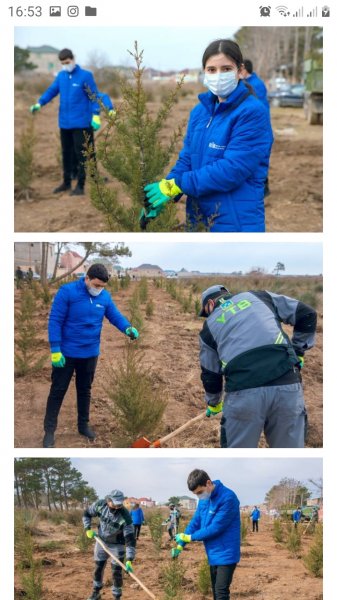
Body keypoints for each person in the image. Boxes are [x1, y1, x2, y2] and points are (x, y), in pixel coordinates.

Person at [142, 39, 273, 232]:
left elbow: (232, 170)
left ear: (239, 70)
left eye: (226, 69)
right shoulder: (200, 112)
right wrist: (166, 190)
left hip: (235, 220)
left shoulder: (252, 112)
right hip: (198, 217)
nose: (218, 75)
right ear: (204, 72)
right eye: (211, 70)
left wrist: (178, 184)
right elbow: (188, 157)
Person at [198, 284, 317, 448]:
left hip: (243, 393)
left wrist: (214, 402)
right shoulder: (259, 297)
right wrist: (299, 351)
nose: (208, 316)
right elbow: (307, 314)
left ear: (210, 304)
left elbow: (211, 373)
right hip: (287, 384)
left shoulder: (208, 328)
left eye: (206, 312)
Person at [42, 263, 139, 448]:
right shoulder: (68, 292)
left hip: (90, 353)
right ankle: (49, 431)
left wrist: (127, 328)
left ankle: (83, 425)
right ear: (86, 279)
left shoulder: (105, 297)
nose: (99, 289)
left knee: (84, 390)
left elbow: (114, 316)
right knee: (57, 391)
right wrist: (55, 349)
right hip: (66, 354)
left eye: (102, 286)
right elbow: (55, 320)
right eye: (96, 285)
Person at [30, 48, 101, 196]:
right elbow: (51, 91)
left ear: (73, 59)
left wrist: (96, 114)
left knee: (82, 155)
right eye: (62, 63)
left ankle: (80, 185)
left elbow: (93, 97)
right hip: (65, 123)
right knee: (66, 154)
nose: (65, 65)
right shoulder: (61, 76)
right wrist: (40, 103)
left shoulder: (85, 76)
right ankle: (66, 182)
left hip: (81, 123)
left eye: (67, 62)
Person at [173, 469, 240, 600]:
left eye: (199, 492)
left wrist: (189, 537)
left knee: (221, 592)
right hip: (213, 553)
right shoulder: (204, 499)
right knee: (216, 591)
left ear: (208, 483)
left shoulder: (228, 498)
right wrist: (180, 545)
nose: (199, 496)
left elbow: (216, 528)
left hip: (227, 552)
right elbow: (195, 523)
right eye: (195, 494)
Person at [83, 489, 136, 600]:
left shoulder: (125, 517)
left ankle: (117, 596)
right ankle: (96, 592)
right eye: (115, 504)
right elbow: (87, 513)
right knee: (98, 567)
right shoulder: (100, 505)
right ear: (108, 500)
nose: (117, 507)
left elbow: (130, 539)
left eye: (119, 504)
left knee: (116, 571)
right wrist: (87, 528)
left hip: (117, 545)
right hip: (101, 541)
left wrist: (130, 559)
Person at [240, 59, 271, 197]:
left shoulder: (254, 85)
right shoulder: (253, 82)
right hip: (259, 129)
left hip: (259, 130)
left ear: (244, 70)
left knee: (258, 161)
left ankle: (263, 189)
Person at [71, 91, 115, 180]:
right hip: (76, 125)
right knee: (79, 150)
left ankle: (90, 175)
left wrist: (110, 109)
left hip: (85, 125)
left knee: (87, 150)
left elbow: (103, 97)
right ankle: (78, 174)